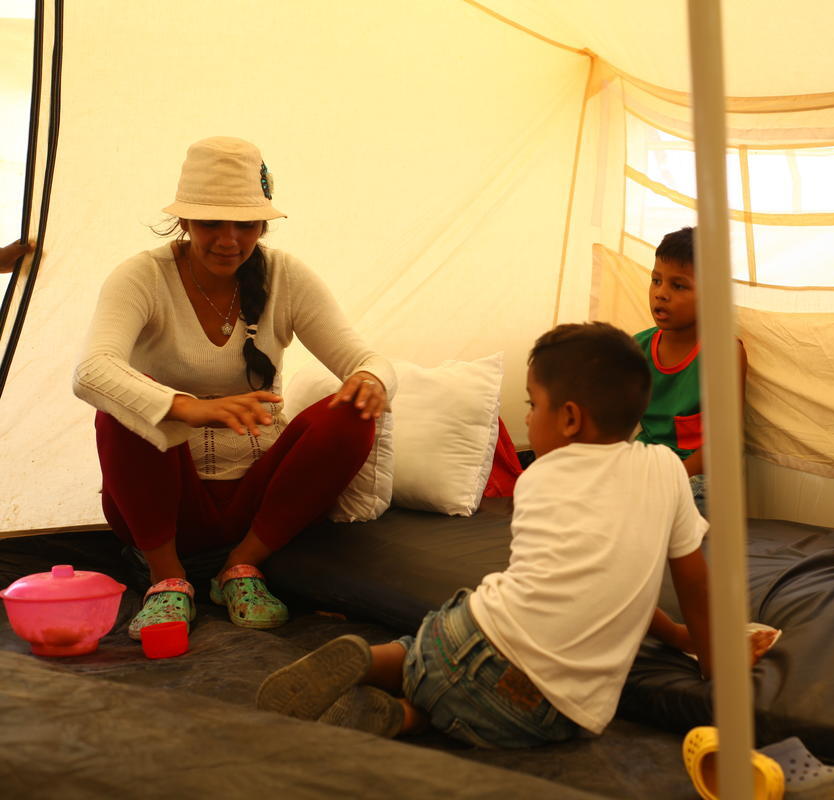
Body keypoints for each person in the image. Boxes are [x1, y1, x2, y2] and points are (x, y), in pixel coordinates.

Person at [256, 322, 721, 747]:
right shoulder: (667, 471)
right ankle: (403, 718)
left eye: (532, 405)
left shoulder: (539, 479)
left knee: (437, 646)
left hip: (466, 638)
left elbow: (572, 580)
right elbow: (679, 581)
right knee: (487, 717)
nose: (530, 418)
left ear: (570, 419)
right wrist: (698, 648)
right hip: (548, 705)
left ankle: (375, 662)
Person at [73, 136, 395, 638]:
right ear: (184, 221)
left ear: (263, 224)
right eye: (211, 223)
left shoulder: (286, 275)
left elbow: (367, 358)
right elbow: (92, 370)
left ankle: (240, 569)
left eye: (245, 224)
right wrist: (192, 409)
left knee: (352, 409)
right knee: (123, 399)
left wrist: (371, 379)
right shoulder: (142, 276)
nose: (229, 239)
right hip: (165, 506)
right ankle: (167, 578)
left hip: (257, 506)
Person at [635, 226, 747, 513]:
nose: (660, 294)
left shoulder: (723, 353)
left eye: (678, 286)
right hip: (643, 466)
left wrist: (670, 481)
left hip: (697, 477)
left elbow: (723, 443)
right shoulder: (637, 348)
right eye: (656, 280)